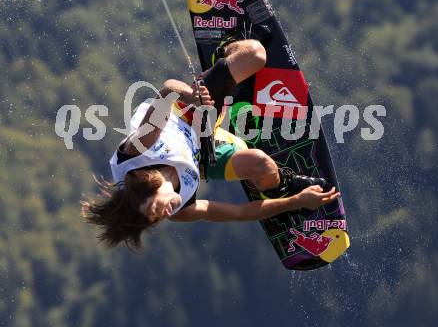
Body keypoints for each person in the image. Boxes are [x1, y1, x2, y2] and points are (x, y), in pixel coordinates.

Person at [82, 37, 340, 251]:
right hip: (201, 151)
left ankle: (225, 52)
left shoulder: (141, 147)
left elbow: (168, 89)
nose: (165, 213)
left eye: (157, 208)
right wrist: (296, 201)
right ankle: (280, 184)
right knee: (261, 164)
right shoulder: (182, 209)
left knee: (255, 54)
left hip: (186, 111)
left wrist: (193, 96)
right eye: (157, 218)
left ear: (147, 189)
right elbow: (238, 213)